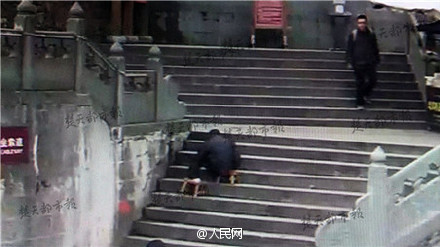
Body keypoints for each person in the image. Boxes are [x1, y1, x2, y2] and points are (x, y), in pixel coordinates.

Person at [346, 14, 380, 109]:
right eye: (360, 23)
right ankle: (359, 103)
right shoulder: (354, 34)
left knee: (373, 80)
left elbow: (375, 47)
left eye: (363, 23)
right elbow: (349, 48)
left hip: (369, 62)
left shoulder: (371, 34)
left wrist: (377, 59)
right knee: (360, 82)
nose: (361, 25)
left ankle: (365, 94)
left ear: (366, 23)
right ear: (357, 24)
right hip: (358, 63)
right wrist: (349, 61)